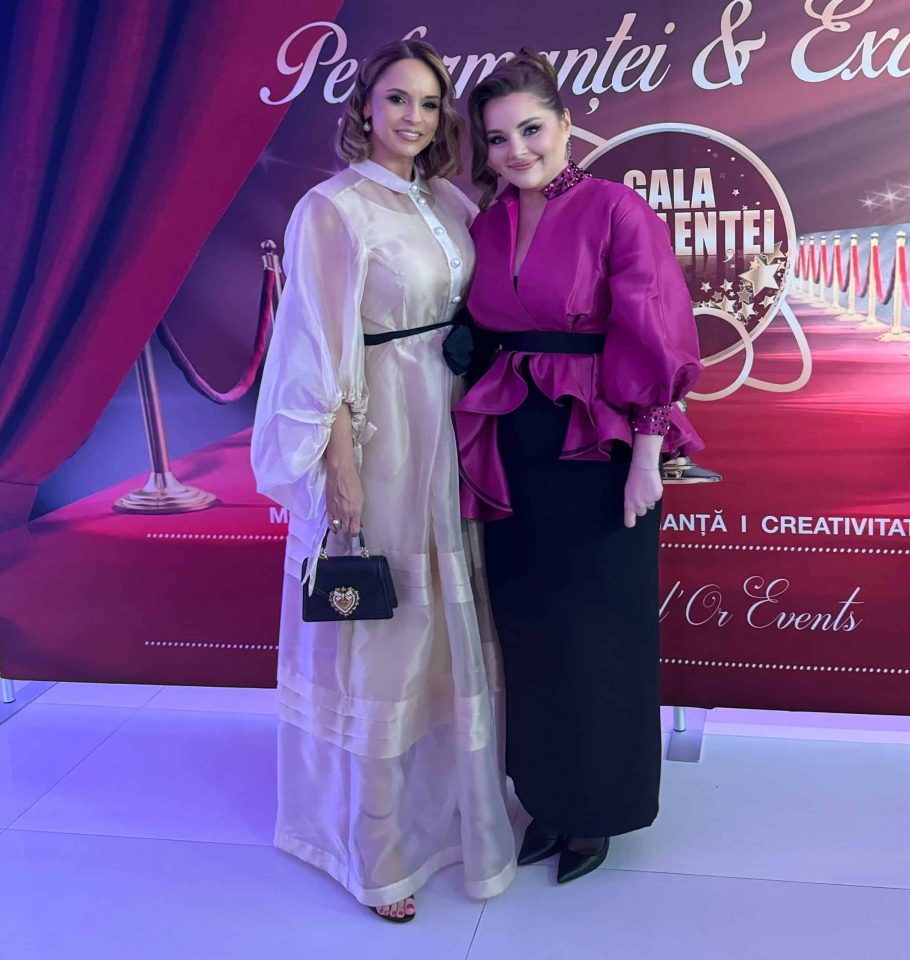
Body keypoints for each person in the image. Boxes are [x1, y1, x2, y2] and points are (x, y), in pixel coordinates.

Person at [251, 39, 516, 923]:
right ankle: (374, 846)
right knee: (384, 632)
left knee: (446, 627)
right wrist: (341, 468)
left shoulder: (444, 197)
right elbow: (317, 349)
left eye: (431, 104)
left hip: (449, 422)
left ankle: (448, 810)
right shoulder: (332, 209)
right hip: (383, 435)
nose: (414, 117)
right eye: (398, 99)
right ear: (365, 106)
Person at [454, 50, 704, 885]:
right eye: (497, 139)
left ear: (565, 125)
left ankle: (600, 812)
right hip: (514, 441)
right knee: (529, 627)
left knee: (603, 631)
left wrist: (646, 454)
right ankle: (549, 800)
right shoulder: (485, 226)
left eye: (531, 128)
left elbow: (658, 335)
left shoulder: (616, 209)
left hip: (599, 443)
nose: (517, 150)